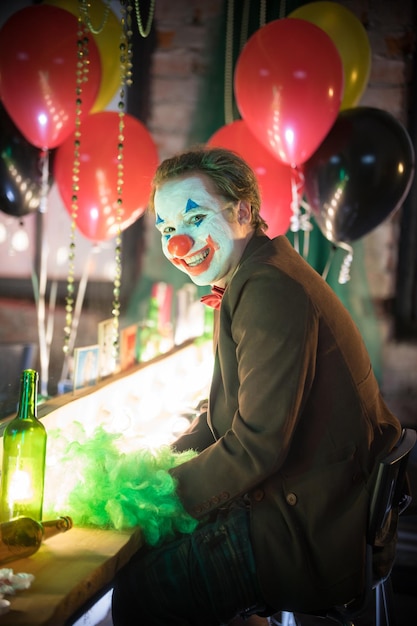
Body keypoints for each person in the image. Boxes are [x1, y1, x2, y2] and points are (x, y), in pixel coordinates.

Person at [111, 146, 402, 625]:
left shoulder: (268, 288)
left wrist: (160, 497)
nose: (177, 244)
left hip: (310, 531)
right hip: (320, 505)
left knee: (146, 584)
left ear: (243, 211)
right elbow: (227, 419)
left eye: (194, 218)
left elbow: (257, 445)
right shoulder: (264, 271)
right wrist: (161, 464)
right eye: (166, 229)